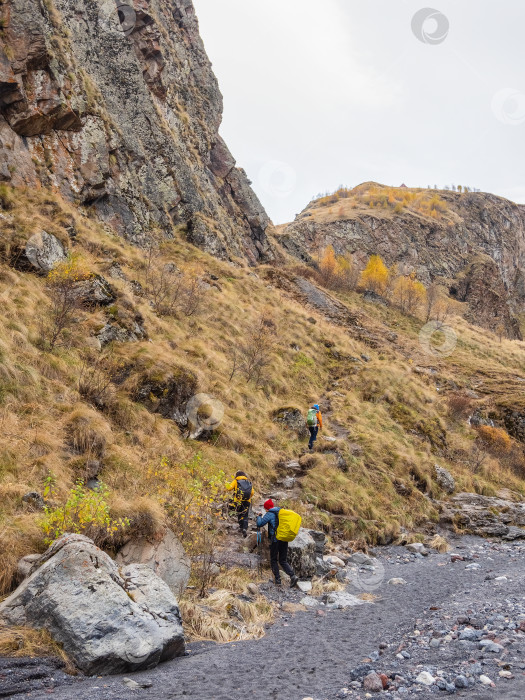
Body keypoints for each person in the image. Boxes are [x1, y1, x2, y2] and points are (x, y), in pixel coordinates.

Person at [256, 499, 298, 587]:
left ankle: (278, 581)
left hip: (275, 540)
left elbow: (260, 524)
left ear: (267, 508)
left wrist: (259, 516)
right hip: (284, 538)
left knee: (273, 559)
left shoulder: (269, 514)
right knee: (283, 560)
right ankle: (293, 576)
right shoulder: (280, 512)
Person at [226, 470, 253, 538]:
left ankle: (241, 527)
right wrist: (247, 497)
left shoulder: (236, 481)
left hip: (238, 501)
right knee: (245, 514)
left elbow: (229, 488)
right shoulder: (248, 482)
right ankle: (244, 528)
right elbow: (252, 492)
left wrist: (225, 484)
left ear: (237, 475)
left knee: (239, 513)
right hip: (247, 501)